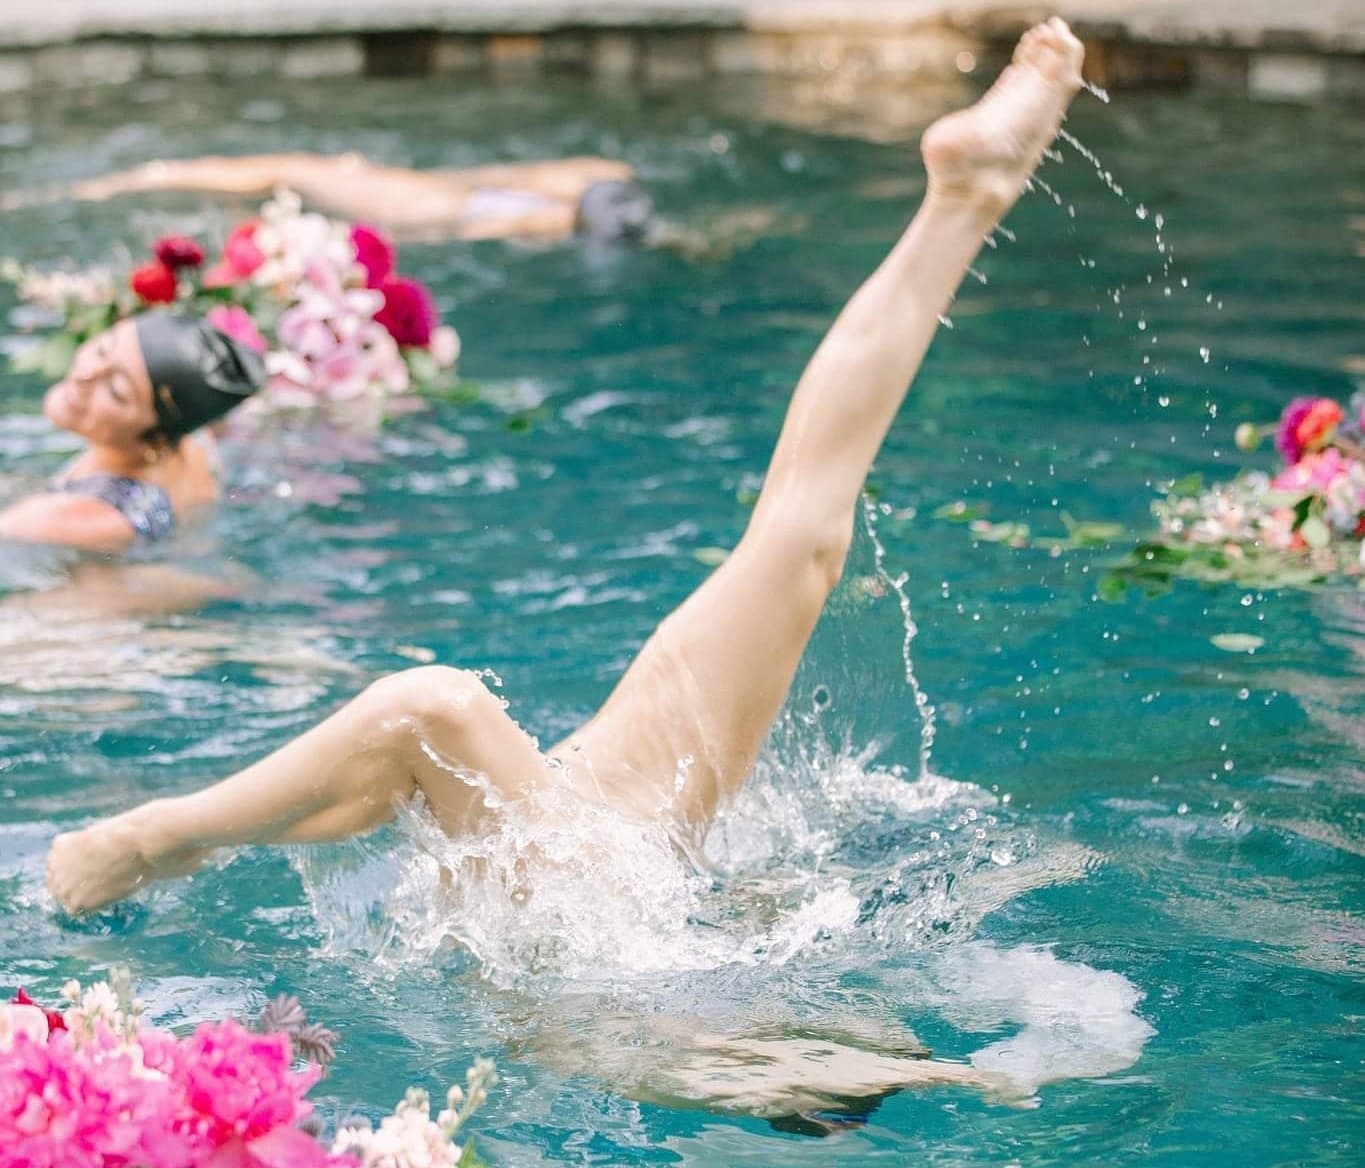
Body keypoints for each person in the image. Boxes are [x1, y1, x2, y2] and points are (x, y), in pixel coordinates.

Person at [47, 21, 1085, 935]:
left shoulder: (127, 488)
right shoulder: (164, 464)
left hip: (598, 903)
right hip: (619, 854)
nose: (86, 374)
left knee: (438, 710)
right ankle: (967, 199)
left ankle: (152, 839)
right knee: (802, 530)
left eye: (113, 371)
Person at [0, 313, 265, 553]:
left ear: (156, 440)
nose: (85, 375)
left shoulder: (72, 520)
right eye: (102, 350)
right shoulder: (196, 441)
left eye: (116, 390)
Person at [12, 153, 657, 245]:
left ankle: (140, 179)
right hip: (407, 198)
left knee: (271, 173)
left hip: (397, 197)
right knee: (269, 177)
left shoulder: (548, 199)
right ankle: (142, 179)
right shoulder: (548, 205)